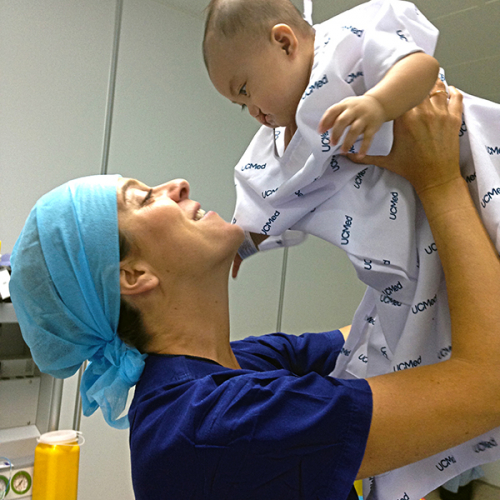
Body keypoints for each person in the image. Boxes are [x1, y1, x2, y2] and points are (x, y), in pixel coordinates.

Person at [9, 90, 500, 500]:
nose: (176, 185)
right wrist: (439, 181)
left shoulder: (233, 369)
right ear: (133, 275)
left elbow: (390, 335)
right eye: (144, 198)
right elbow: (489, 386)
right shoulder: (217, 424)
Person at [203, 2, 500, 494]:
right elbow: (276, 195)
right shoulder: (288, 131)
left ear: (284, 42)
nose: (252, 111)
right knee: (428, 336)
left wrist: (378, 104)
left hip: (466, 155)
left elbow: (420, 67)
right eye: (240, 103)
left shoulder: (346, 44)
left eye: (245, 89)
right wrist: (243, 243)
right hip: (422, 221)